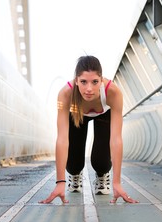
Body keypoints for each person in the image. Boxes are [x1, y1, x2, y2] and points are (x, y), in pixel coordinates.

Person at [39, 55, 138, 204]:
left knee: (101, 162)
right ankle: (74, 175)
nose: (89, 88)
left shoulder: (113, 93)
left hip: (104, 115)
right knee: (73, 164)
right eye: (84, 82)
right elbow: (62, 139)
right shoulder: (65, 94)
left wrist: (117, 183)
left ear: (101, 80)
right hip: (76, 113)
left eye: (95, 82)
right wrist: (60, 182)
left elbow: (116, 139)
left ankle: (102, 175)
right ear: (76, 80)